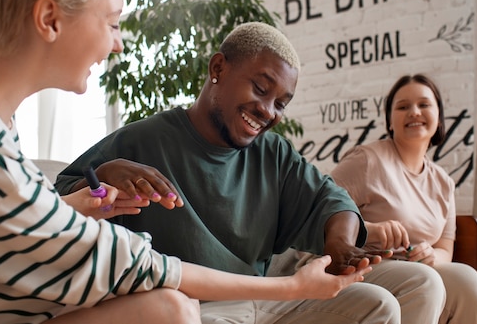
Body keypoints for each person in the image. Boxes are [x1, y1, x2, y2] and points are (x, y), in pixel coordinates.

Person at [0, 0, 374, 324]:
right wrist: (294, 286)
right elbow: (124, 263)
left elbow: (25, 221)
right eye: (111, 23)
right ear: (50, 18)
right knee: (170, 308)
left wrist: (74, 206)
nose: (119, 45)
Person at [55, 22, 442, 323]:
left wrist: (340, 243)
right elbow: (62, 198)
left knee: (378, 305)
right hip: (196, 309)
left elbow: (330, 198)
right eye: (260, 89)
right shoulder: (144, 139)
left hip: (270, 297)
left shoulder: (272, 153)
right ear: (218, 68)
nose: (269, 111)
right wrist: (106, 172)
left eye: (281, 103)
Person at [328, 73, 477, 324]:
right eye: (403, 106)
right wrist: (371, 230)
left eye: (424, 104)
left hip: (420, 270)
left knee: (470, 282)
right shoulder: (366, 160)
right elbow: (320, 213)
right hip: (368, 266)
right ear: (389, 121)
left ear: (439, 116)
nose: (414, 112)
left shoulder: (443, 183)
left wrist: (432, 256)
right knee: (426, 280)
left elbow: (444, 249)